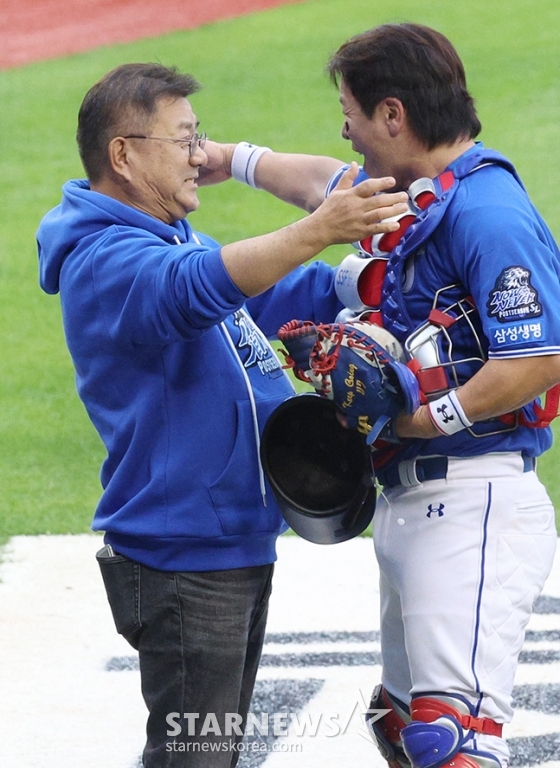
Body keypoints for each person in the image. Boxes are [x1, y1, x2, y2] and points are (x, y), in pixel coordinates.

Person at [205, 22, 560, 768]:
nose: (347, 129)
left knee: (450, 744)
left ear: (393, 116)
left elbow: (539, 358)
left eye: (354, 112)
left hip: (473, 504)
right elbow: (325, 184)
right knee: (400, 727)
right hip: (415, 506)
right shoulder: (427, 194)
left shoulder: (488, 213)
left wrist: (428, 417)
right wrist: (227, 160)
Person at [35, 62, 408, 767]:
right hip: (182, 553)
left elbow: (273, 294)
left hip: (225, 541)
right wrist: (320, 227)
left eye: (198, 137)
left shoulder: (165, 236)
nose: (199, 156)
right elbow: (200, 287)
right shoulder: (105, 257)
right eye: (183, 139)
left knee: (212, 753)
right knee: (194, 758)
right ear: (124, 154)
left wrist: (372, 280)